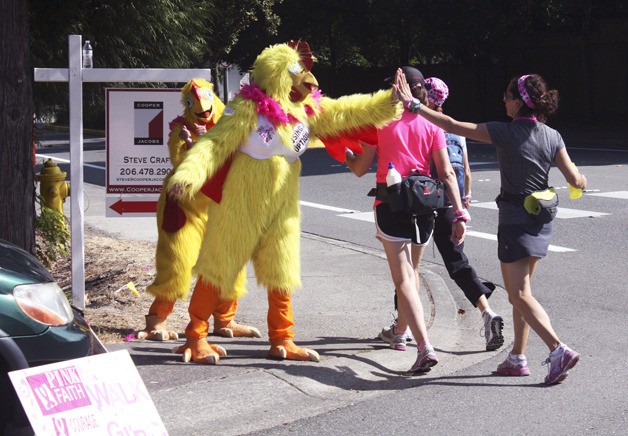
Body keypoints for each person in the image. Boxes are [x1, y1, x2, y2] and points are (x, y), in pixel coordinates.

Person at [405, 71, 586, 385]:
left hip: (515, 221)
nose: (503, 100)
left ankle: (558, 349)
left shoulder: (506, 132)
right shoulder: (552, 135)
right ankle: (517, 356)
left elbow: (451, 125)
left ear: (518, 102)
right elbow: (574, 179)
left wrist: (415, 106)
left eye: (507, 96)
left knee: (517, 294)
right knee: (523, 293)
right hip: (541, 220)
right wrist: (581, 182)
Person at [346, 66, 467, 373]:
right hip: (426, 205)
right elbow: (448, 172)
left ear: (397, 89)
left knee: (403, 278)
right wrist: (459, 212)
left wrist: (345, 154)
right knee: (411, 274)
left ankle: (424, 347)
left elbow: (360, 168)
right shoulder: (431, 122)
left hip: (391, 204)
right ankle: (400, 333)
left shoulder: (381, 121)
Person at [379, 77, 504, 352]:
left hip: (419, 202)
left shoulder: (419, 121)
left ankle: (402, 331)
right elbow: (463, 171)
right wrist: (462, 208)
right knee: (458, 264)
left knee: (406, 270)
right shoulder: (454, 128)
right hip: (448, 201)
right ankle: (487, 312)